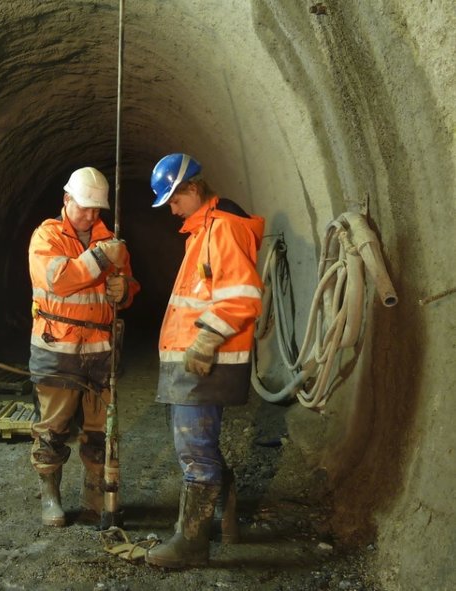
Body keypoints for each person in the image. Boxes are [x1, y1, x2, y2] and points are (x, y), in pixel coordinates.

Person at [144, 153, 264, 568]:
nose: (172, 208)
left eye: (174, 199)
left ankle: (192, 543)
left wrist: (207, 339)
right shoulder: (203, 231)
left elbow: (243, 295)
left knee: (193, 452)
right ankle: (226, 517)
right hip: (194, 363)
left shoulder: (224, 228)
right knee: (201, 446)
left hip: (205, 363)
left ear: (193, 188)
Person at [28, 166, 141, 527]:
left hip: (100, 350)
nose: (92, 216)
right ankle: (51, 498)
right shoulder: (47, 237)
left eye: (97, 210)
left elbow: (128, 284)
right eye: (85, 207)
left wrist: (125, 292)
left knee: (99, 431)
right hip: (56, 350)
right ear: (67, 200)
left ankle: (95, 498)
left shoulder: (111, 241)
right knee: (52, 429)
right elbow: (60, 280)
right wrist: (102, 258)